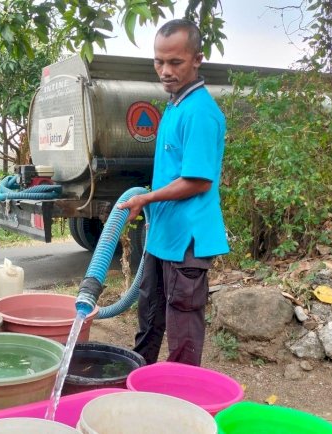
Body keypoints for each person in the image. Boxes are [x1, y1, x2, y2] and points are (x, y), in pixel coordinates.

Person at [117, 19, 229, 366]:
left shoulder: (199, 112)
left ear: (197, 58)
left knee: (183, 328)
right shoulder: (175, 105)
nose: (165, 71)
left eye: (175, 62)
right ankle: (138, 378)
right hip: (164, 234)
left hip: (188, 239)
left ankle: (183, 399)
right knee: (149, 314)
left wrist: (147, 198)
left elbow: (198, 181)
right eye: (158, 61)